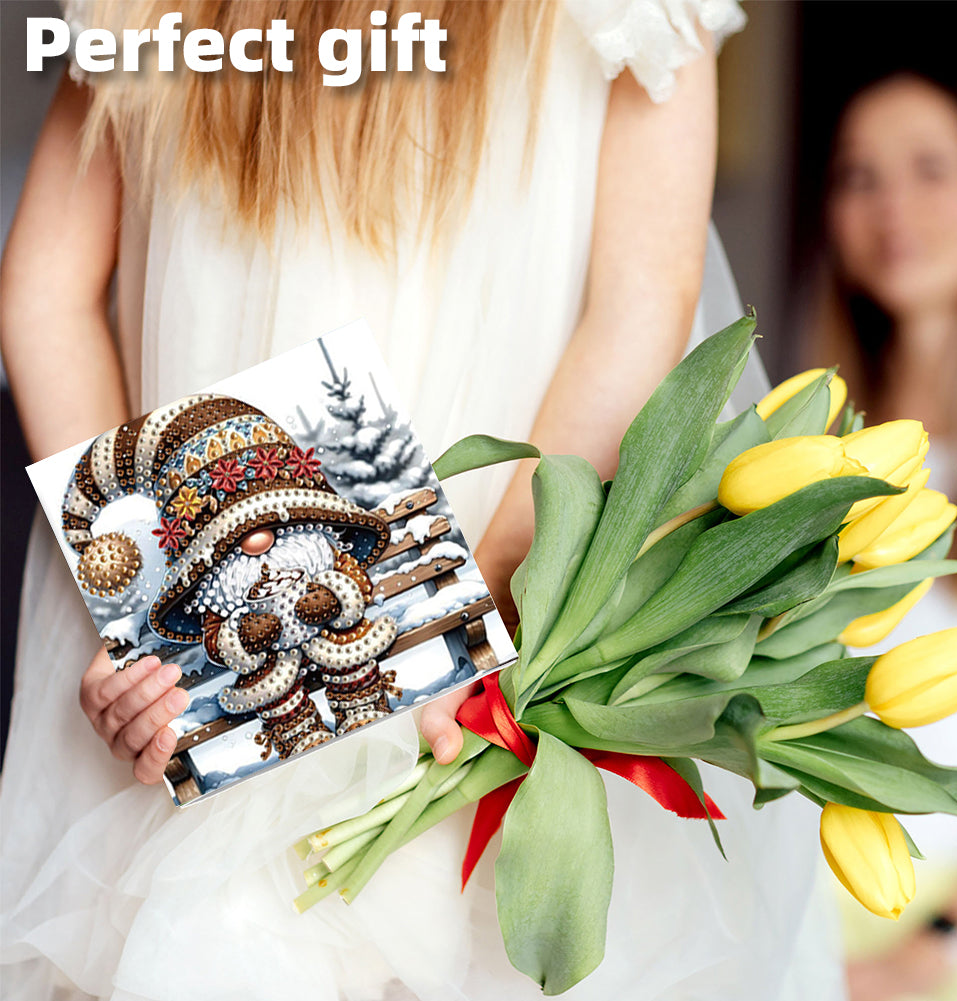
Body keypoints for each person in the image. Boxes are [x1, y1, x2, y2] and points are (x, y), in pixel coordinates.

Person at [1, 3, 836, 999]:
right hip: (231, 635)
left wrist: (484, 615)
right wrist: (147, 614)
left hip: (479, 630)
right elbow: (46, 289)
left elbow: (638, 308)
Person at [809, 71, 957, 1001]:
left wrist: (934, 950)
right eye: (859, 176)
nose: (892, 209)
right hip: (811, 906)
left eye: (930, 168)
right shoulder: (808, 443)